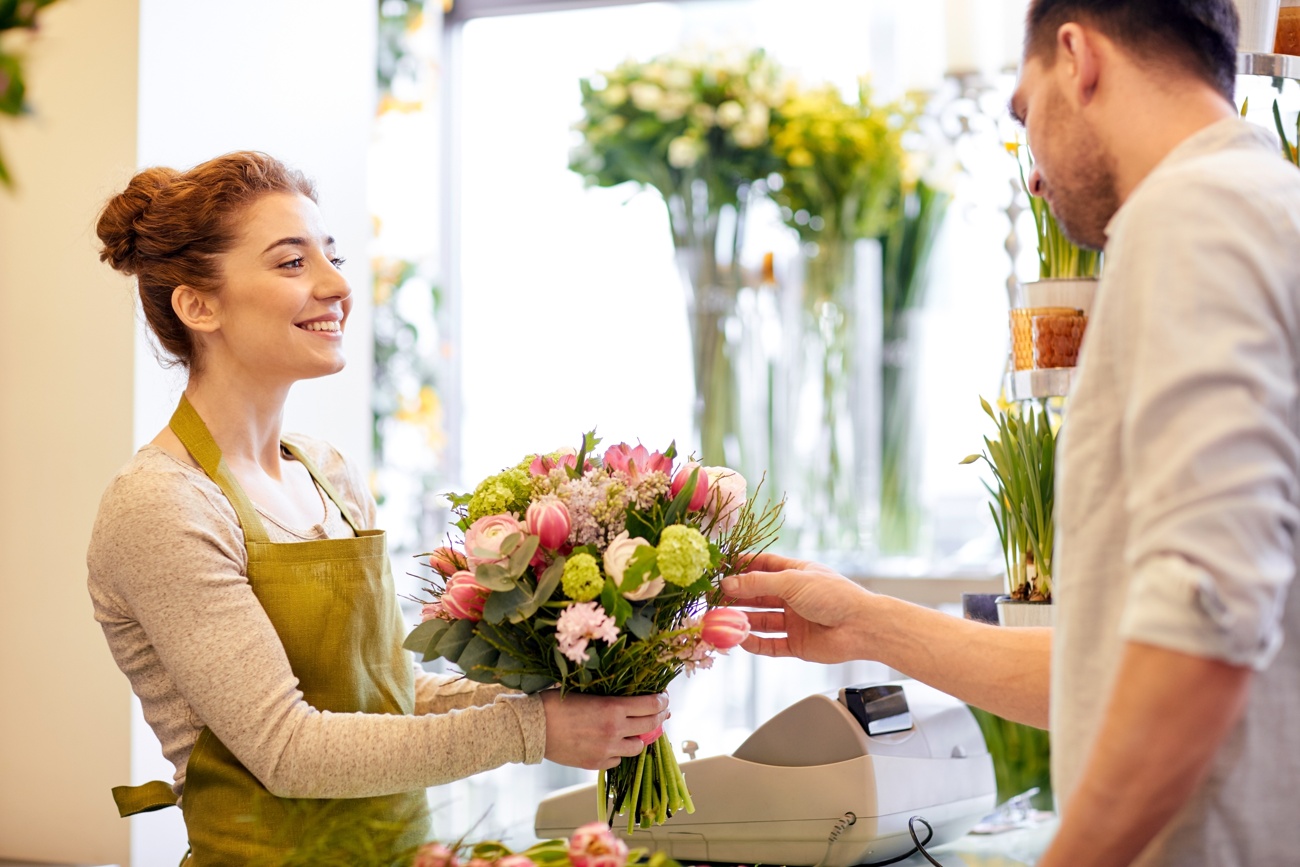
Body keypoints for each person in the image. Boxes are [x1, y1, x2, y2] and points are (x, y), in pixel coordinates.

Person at [725, 2, 1300, 865]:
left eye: (1025, 113)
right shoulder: (1264, 205)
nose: (1032, 175)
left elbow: (1200, 625)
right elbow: (1126, 666)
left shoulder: (1190, 220)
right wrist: (869, 623)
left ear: (1077, 57)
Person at [88, 151, 668, 863]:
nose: (337, 285)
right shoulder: (162, 503)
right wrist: (530, 731)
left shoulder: (326, 472)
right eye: (292, 263)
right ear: (198, 304)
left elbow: (395, 691)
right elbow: (287, 747)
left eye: (330, 257)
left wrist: (575, 695)